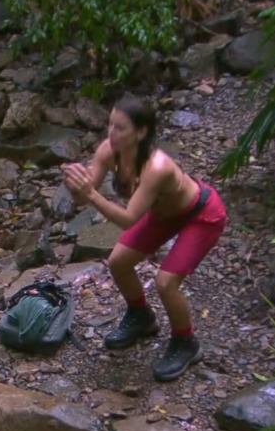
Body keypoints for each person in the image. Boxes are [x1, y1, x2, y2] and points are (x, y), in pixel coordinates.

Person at [63, 95, 227, 382]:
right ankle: (141, 316)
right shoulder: (108, 151)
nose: (111, 133)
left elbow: (127, 218)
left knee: (166, 283)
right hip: (163, 214)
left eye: (120, 128)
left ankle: (186, 342)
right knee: (118, 262)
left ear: (141, 133)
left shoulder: (157, 167)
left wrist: (90, 194)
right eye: (110, 124)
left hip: (201, 215)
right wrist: (78, 187)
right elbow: (83, 196)